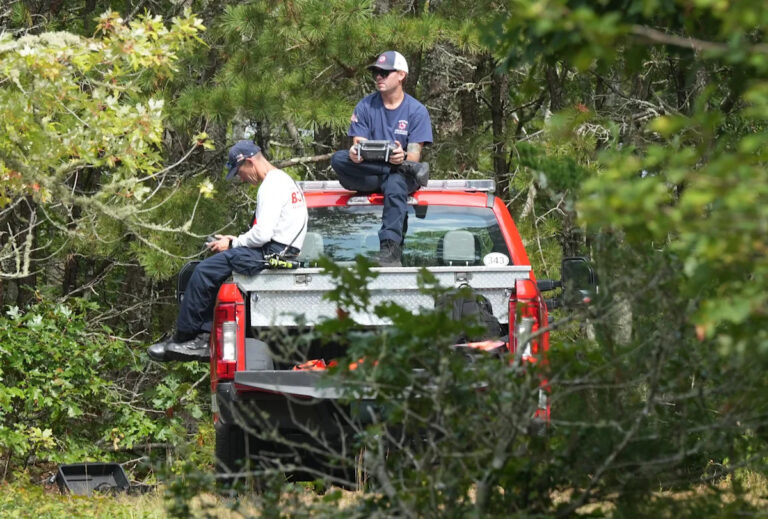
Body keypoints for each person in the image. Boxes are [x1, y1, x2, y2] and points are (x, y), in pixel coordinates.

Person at [148, 140, 308, 362]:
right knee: (217, 271)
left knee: (204, 271)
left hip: (272, 253)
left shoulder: (270, 186)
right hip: (281, 250)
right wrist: (237, 240)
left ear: (249, 161)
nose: (241, 178)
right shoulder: (285, 181)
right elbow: (271, 231)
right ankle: (199, 337)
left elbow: (262, 235)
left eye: (240, 171)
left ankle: (185, 340)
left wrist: (232, 245)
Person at [330, 50, 433, 267]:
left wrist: (402, 156)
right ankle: (392, 172)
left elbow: (414, 156)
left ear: (401, 75)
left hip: (401, 175)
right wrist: (354, 154)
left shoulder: (416, 111)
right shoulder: (366, 106)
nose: (378, 77)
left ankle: (390, 249)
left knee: (396, 183)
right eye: (376, 72)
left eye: (384, 73)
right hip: (369, 172)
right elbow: (358, 144)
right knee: (339, 159)